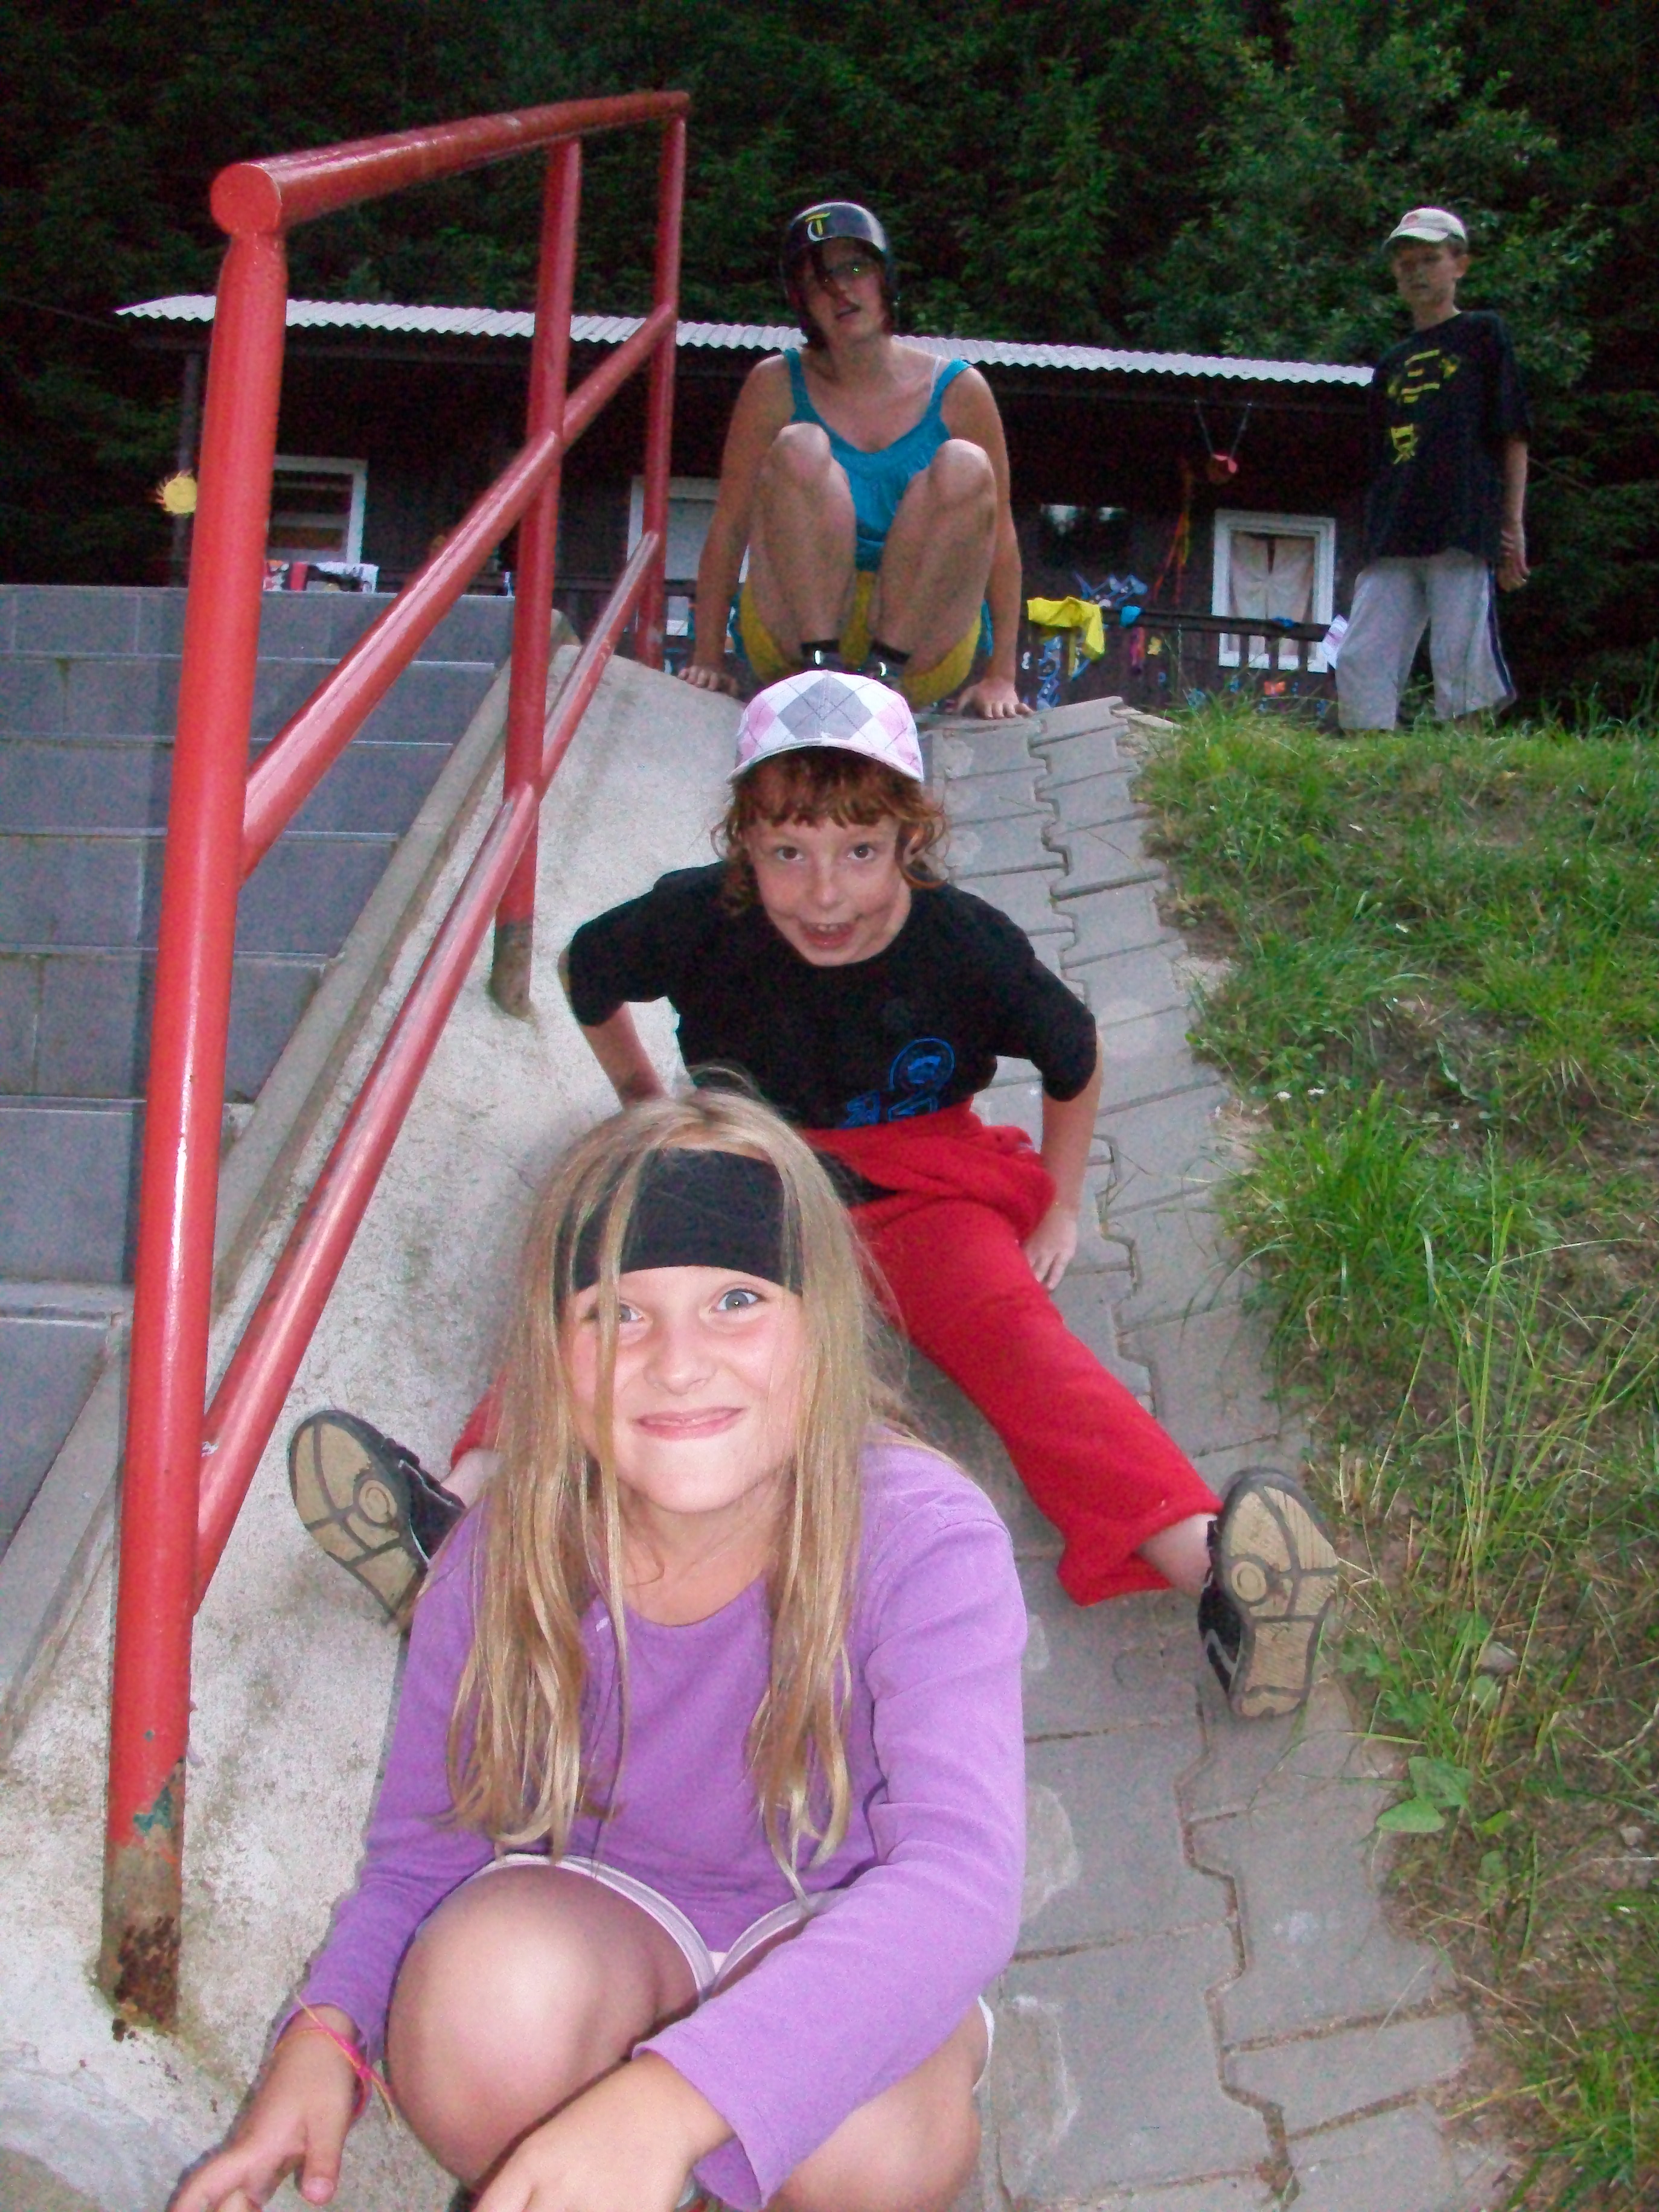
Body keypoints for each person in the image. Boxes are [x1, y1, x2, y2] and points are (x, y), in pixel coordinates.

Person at [292, 673, 1340, 1724]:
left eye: (861, 851)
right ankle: (450, 1516)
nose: (825, 892)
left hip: (922, 1187)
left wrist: (1060, 1206)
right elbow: (590, 970)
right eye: (788, 852)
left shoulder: (967, 943)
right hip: (747, 1165)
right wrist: (644, 1101)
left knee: (1023, 1342)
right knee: (623, 1304)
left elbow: (1073, 1057)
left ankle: (1216, 1573)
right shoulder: (699, 916)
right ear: (742, 843)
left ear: (911, 837)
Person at [185, 1094, 1026, 2212]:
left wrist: (675, 2098)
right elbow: (420, 1852)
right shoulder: (502, 1554)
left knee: (877, 2150)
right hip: (615, 1922)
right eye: (617, 1314)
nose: (676, 1362)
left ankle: (678, 2145)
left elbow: (961, 1883)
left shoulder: (925, 1537)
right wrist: (326, 2030)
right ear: (555, 1356)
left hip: (835, 1924)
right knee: (477, 2015)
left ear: (823, 1328)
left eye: (736, 1300)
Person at [679, 200, 1029, 720]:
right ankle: (821, 666)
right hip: (793, 632)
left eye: (855, 268)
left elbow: (1000, 535)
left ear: (886, 278)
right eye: (818, 282)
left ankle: (884, 674)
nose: (840, 290)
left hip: (920, 644)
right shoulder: (774, 384)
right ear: (802, 304)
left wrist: (1001, 675)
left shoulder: (961, 390)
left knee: (966, 464)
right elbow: (730, 525)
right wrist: (708, 657)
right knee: (800, 446)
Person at [1335, 205, 1532, 731]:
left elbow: (1512, 433)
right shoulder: (1391, 363)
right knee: (1360, 655)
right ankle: (1367, 758)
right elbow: (1378, 459)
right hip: (1395, 528)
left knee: (1461, 652)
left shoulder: (1483, 335)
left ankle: (1465, 759)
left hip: (1461, 519)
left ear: (1459, 264)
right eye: (1406, 264)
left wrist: (1511, 524)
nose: (1417, 272)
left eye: (1430, 259)